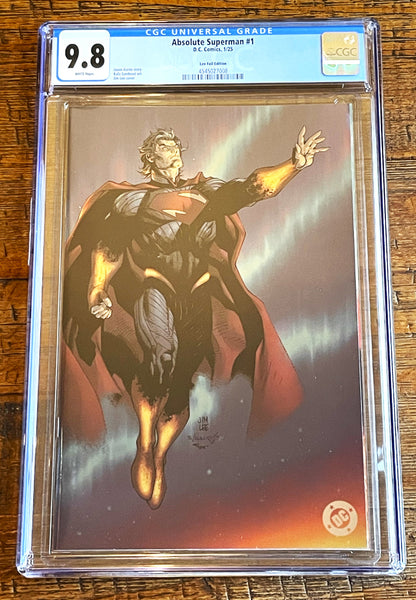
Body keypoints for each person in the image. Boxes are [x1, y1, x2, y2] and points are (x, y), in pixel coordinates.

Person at [63, 126, 328, 509]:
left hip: (198, 294)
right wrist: (97, 287)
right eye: (162, 145)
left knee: (180, 383)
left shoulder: (207, 192)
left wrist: (293, 165)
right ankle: (144, 439)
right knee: (162, 356)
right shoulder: (133, 201)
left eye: (174, 144)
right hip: (155, 286)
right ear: (150, 157)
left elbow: (253, 188)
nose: (171, 148)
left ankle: (160, 452)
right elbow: (109, 246)